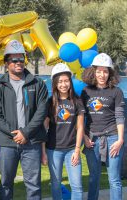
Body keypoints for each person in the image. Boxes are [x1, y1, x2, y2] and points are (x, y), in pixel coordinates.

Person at [0, 40, 48, 200]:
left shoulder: (37, 83)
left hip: (32, 142)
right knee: (6, 184)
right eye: (14, 60)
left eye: (21, 59)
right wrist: (14, 133)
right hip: (8, 143)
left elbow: (42, 111)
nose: (18, 63)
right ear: (6, 63)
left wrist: (26, 133)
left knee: (34, 185)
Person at [81, 53, 125, 200]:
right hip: (92, 140)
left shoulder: (117, 92)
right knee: (94, 178)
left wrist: (120, 140)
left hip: (113, 138)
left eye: (105, 71)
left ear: (110, 73)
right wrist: (85, 138)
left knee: (114, 180)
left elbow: (119, 116)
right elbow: (81, 118)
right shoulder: (86, 91)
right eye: (98, 71)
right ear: (93, 72)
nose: (102, 74)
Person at [42, 63, 85, 200]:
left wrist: (77, 150)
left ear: (70, 82)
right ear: (55, 83)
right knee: (55, 184)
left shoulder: (77, 101)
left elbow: (80, 128)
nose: (63, 84)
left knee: (77, 186)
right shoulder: (50, 102)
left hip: (72, 149)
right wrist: (43, 152)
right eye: (60, 81)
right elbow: (44, 129)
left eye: (66, 80)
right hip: (53, 150)